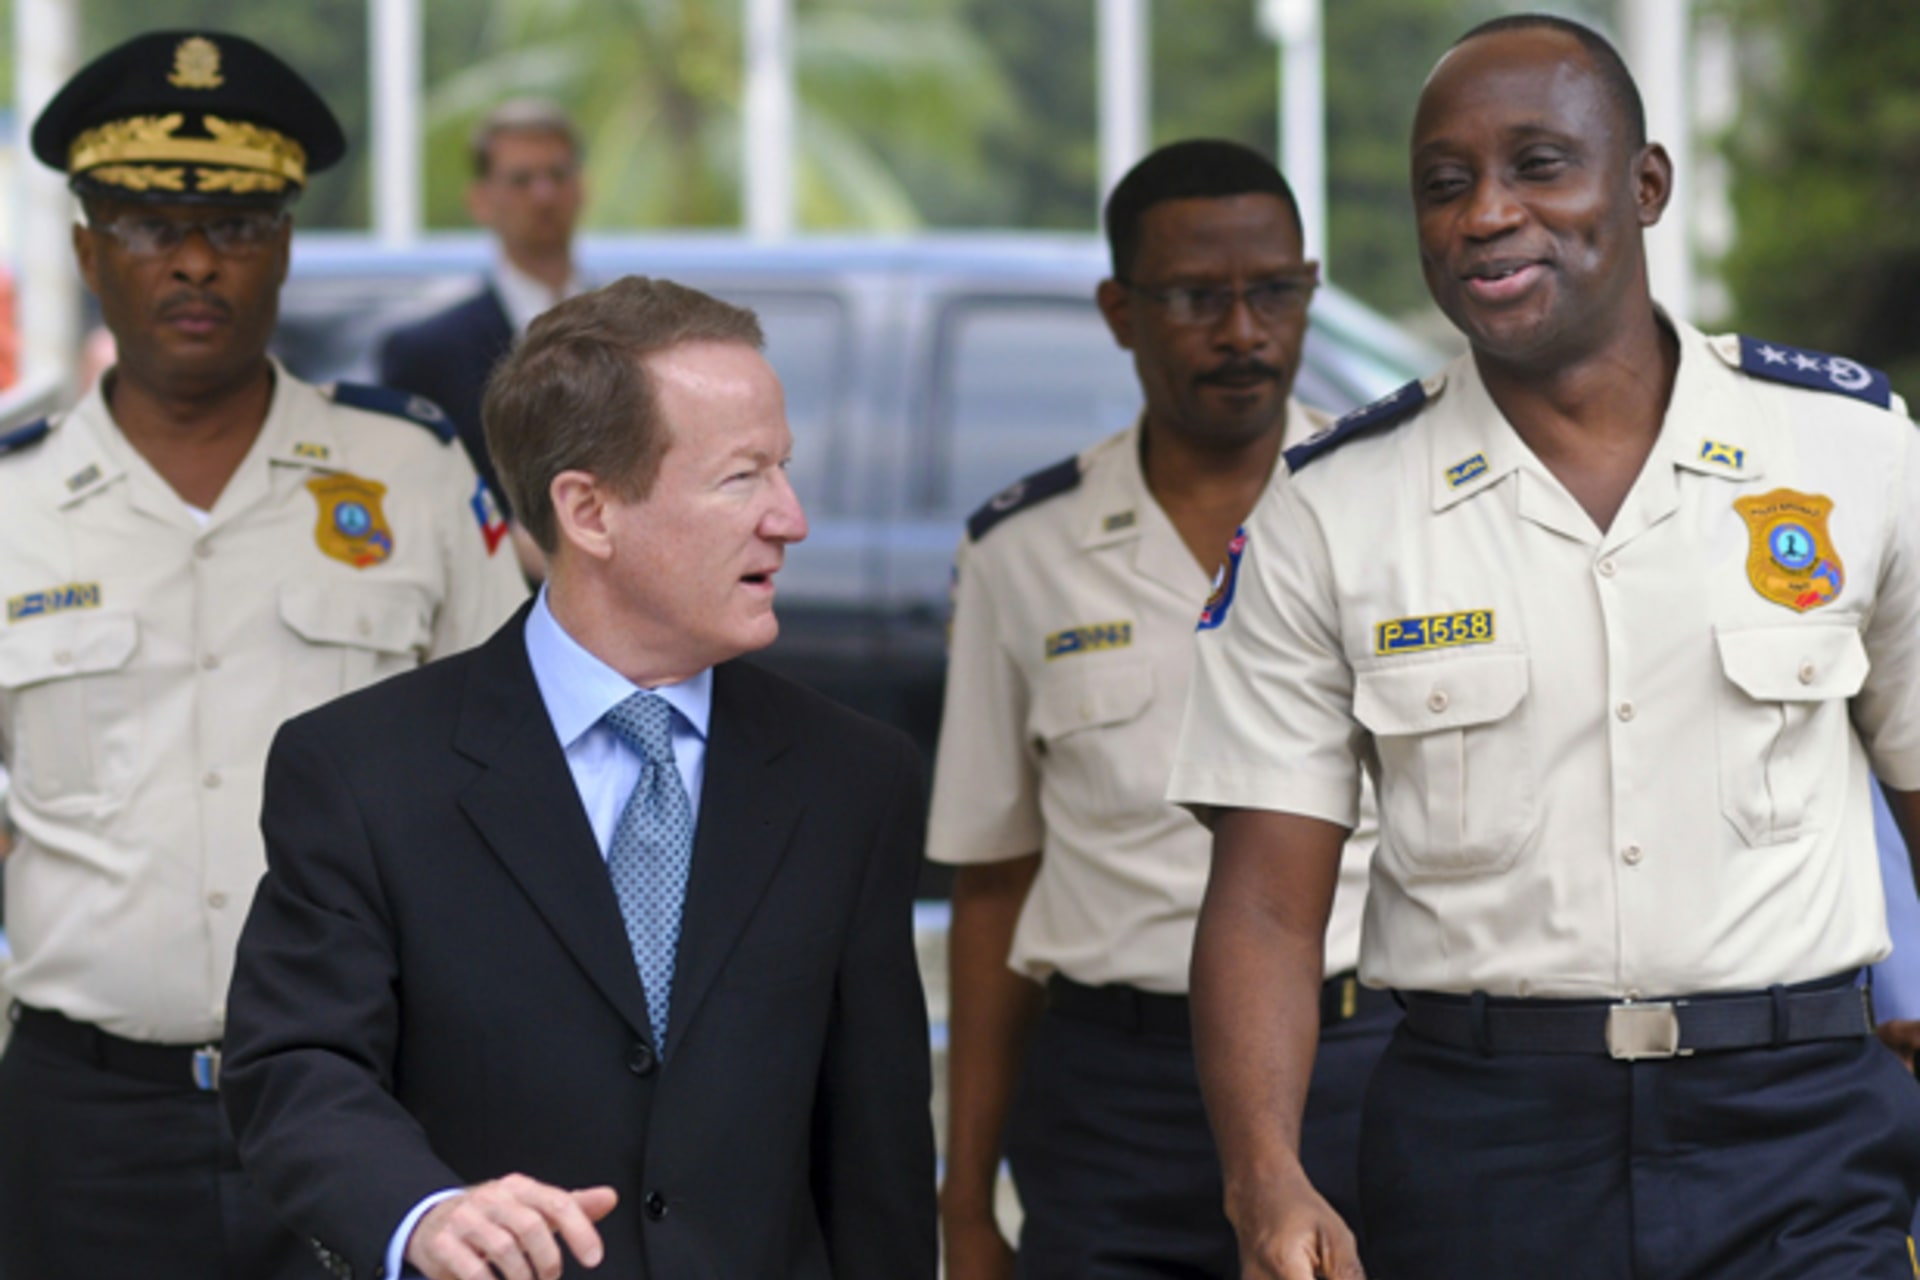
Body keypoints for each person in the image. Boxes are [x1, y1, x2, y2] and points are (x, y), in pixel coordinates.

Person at [1167, 14, 1920, 1280]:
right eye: (1445, 186)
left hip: (1798, 1127)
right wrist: (1267, 1178)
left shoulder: (1852, 454)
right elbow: (1260, 900)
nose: (1486, 215)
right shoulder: (1333, 507)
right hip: (1482, 1143)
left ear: (1645, 184)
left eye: (1539, 166)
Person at [222, 275, 937, 1280]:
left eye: (786, 468)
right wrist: (421, 1213)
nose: (793, 516)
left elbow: (877, 1158)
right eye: (744, 477)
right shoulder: (358, 770)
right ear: (589, 510)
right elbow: (297, 1067)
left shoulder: (855, 777)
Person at [0, 29, 527, 1280]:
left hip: (376, 1100)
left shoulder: (410, 470)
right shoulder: (13, 504)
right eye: (143, 222)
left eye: (237, 221)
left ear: (285, 245)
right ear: (85, 248)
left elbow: (521, 776)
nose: (193, 258)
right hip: (84, 1121)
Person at [929, 139, 1395, 1280]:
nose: (1244, 332)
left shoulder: (1391, 513)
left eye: (1275, 291)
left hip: (1363, 1073)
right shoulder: (1023, 550)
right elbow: (996, 880)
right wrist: (964, 1195)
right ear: (1120, 309)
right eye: (1196, 298)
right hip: (1112, 1098)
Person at [380, 98, 588, 578]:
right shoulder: (425, 351)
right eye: (521, 180)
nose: (543, 195)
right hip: (485, 616)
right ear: (481, 200)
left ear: (581, 187)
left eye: (557, 175)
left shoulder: (632, 333)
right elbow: (402, 500)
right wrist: (502, 541)